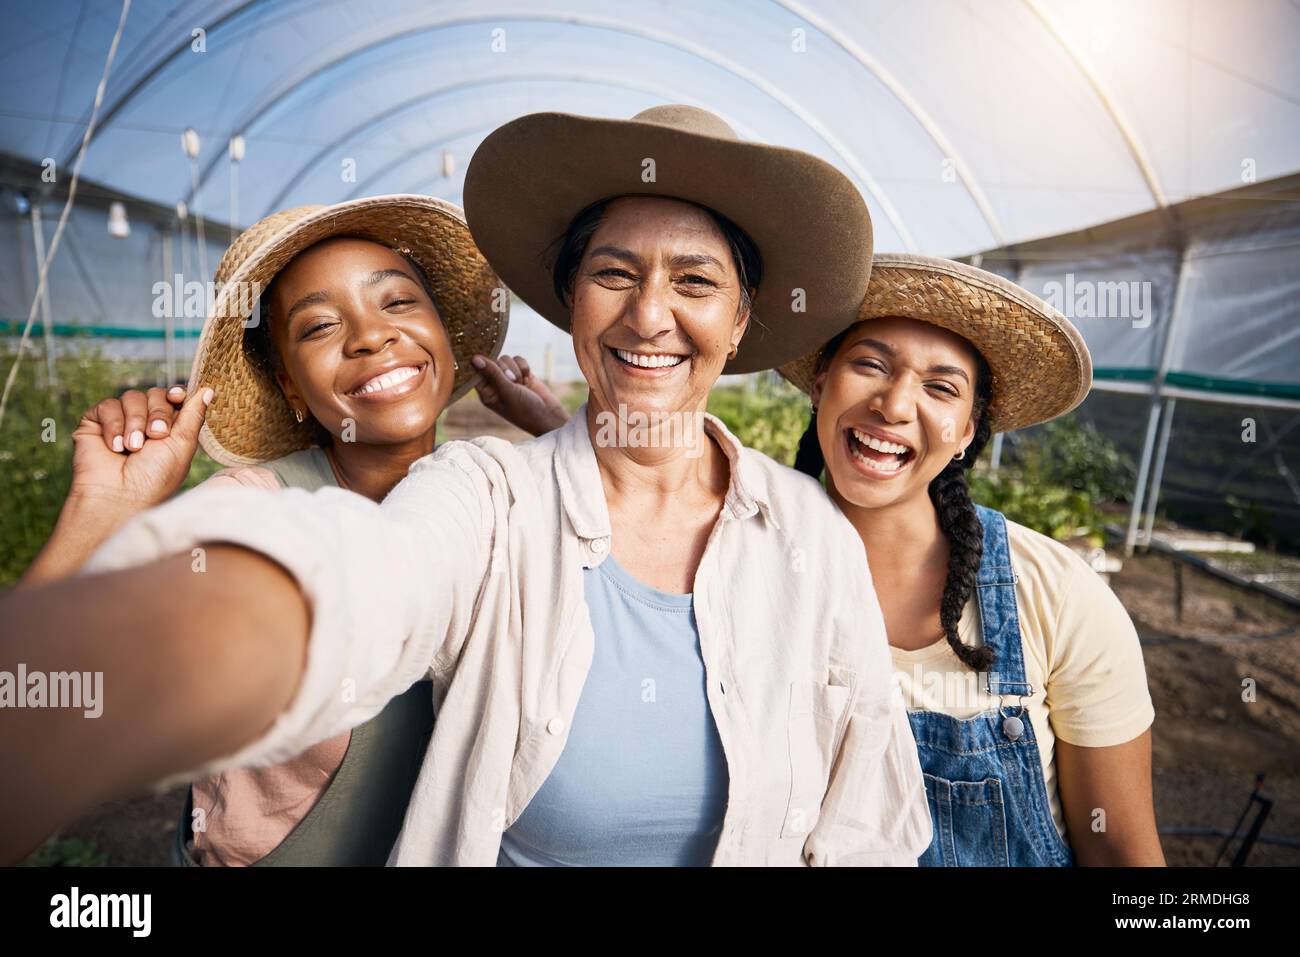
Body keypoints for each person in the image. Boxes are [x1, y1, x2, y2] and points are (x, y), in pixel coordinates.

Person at [0, 105, 930, 867]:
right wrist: (104, 583)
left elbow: (866, 826)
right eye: (614, 272)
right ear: (572, 305)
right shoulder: (475, 494)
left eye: (695, 279)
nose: (651, 311)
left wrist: (574, 440)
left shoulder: (809, 537)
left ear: (740, 319)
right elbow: (354, 579)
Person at [18, 195, 560, 865]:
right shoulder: (251, 516)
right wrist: (96, 519)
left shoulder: (499, 498)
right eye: (320, 326)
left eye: (396, 303)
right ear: (292, 387)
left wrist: (559, 433)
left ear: (446, 341)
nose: (369, 335)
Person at [780, 253, 1164, 865]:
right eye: (870, 364)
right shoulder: (744, 564)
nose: (895, 404)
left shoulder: (1055, 594)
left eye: (940, 388)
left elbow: (1120, 851)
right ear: (821, 383)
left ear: (966, 430)